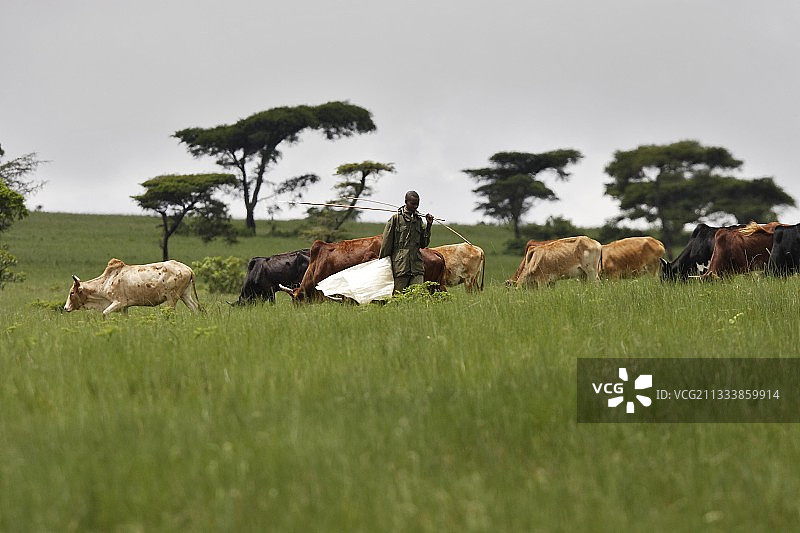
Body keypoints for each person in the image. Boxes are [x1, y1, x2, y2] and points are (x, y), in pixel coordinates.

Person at [379, 191, 434, 292]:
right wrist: (383, 264)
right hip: (401, 267)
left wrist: (429, 226)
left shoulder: (419, 220)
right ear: (406, 202)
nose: (415, 206)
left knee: (417, 295)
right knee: (398, 296)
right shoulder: (395, 219)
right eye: (413, 204)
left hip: (417, 267)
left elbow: (424, 244)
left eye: (417, 204)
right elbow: (386, 243)